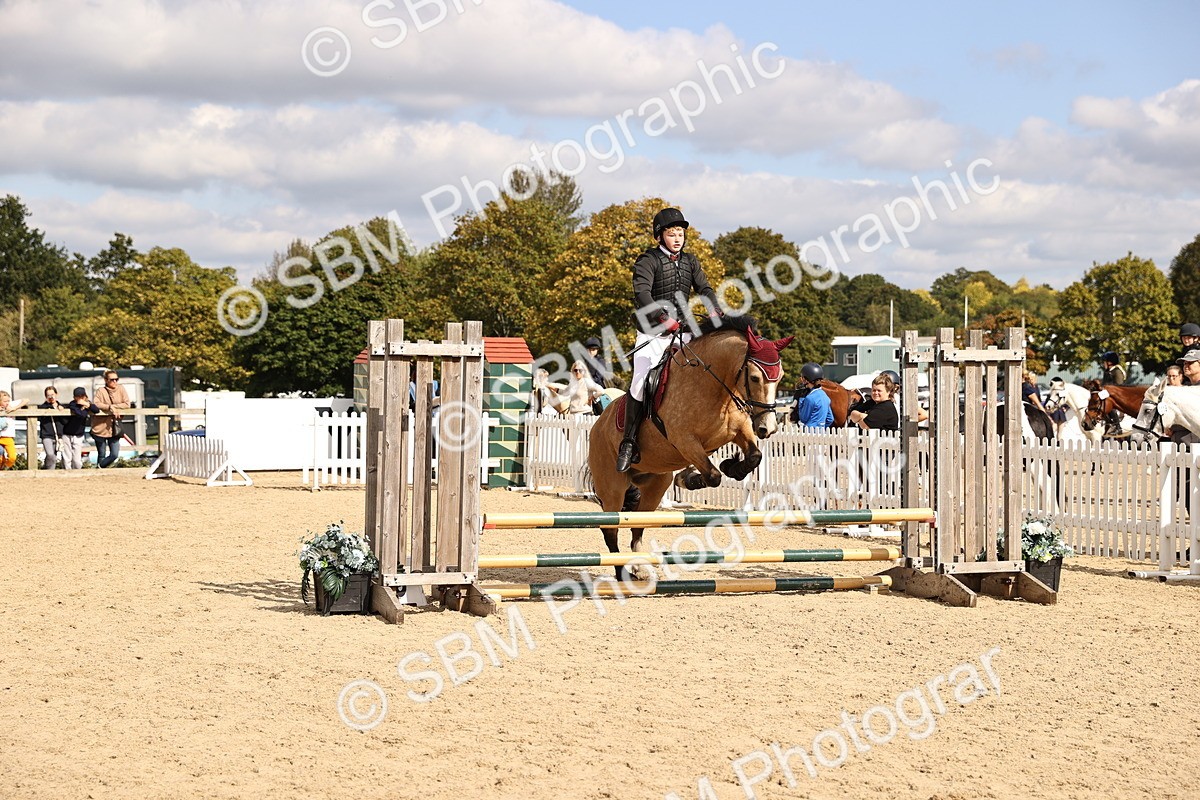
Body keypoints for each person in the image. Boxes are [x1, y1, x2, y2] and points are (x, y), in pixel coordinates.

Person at [616, 207, 721, 472]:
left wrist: (713, 308)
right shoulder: (647, 260)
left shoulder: (690, 262)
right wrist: (664, 318)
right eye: (672, 234)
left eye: (681, 234)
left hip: (683, 331)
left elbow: (705, 288)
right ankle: (628, 442)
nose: (678, 238)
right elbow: (642, 294)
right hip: (652, 332)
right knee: (641, 383)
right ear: (660, 236)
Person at [92, 370, 131, 468]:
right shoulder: (101, 391)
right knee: (101, 453)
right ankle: (100, 475)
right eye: (112, 379)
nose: (115, 382)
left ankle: (99, 467)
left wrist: (114, 407)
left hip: (115, 427)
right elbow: (96, 403)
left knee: (114, 454)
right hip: (100, 427)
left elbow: (127, 404)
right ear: (106, 380)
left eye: (116, 379)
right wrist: (109, 408)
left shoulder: (121, 389)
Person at [64, 387, 100, 469]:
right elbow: (81, 414)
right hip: (67, 433)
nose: (80, 398)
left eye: (82, 396)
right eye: (78, 396)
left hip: (79, 434)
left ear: (85, 396)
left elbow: (96, 410)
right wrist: (84, 407)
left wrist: (87, 404)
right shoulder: (72, 404)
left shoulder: (87, 404)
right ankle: (67, 474)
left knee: (77, 459)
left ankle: (77, 473)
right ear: (74, 397)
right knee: (67, 457)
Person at [789, 362, 834, 428]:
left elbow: (803, 418)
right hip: (822, 433)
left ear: (806, 379)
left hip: (809, 433)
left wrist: (801, 399)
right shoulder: (825, 396)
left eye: (802, 378)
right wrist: (820, 427)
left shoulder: (809, 398)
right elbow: (830, 419)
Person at [38, 386, 67, 470]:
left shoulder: (62, 406)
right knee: (50, 454)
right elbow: (40, 417)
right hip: (47, 435)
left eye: (52, 394)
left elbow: (65, 421)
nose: (51, 397)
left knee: (56, 455)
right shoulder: (43, 407)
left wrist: (60, 409)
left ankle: (51, 471)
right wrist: (48, 405)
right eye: (48, 395)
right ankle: (47, 469)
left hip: (59, 435)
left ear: (56, 394)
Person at [0, 390, 28, 469]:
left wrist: (14, 408)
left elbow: (26, 400)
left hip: (8, 436)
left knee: (12, 457)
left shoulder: (11, 405)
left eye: (8, 400)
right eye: (5, 401)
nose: (7, 402)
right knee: (0, 457)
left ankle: (5, 467)